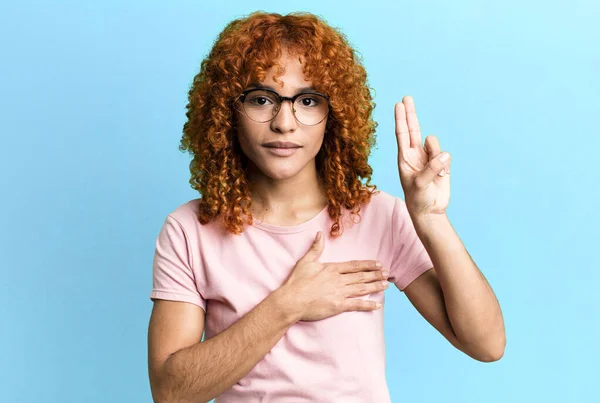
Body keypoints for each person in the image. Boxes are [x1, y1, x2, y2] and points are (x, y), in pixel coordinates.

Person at [147, 11, 505, 403]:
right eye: (262, 98)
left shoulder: (378, 216)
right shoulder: (189, 229)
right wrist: (289, 303)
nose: (285, 122)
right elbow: (171, 392)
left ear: (332, 115)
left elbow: (486, 345)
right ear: (226, 111)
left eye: (307, 100)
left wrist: (431, 220)